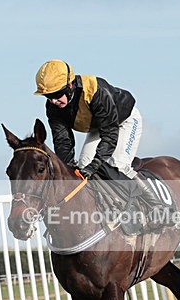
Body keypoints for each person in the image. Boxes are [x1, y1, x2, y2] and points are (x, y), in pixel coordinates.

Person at [33, 59, 162, 223]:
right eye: (48, 96)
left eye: (57, 95)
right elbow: (62, 141)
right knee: (81, 169)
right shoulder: (53, 108)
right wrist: (68, 165)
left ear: (70, 85)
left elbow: (110, 133)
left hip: (124, 121)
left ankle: (158, 205)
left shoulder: (96, 91)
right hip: (98, 127)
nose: (53, 101)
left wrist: (96, 164)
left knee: (118, 165)